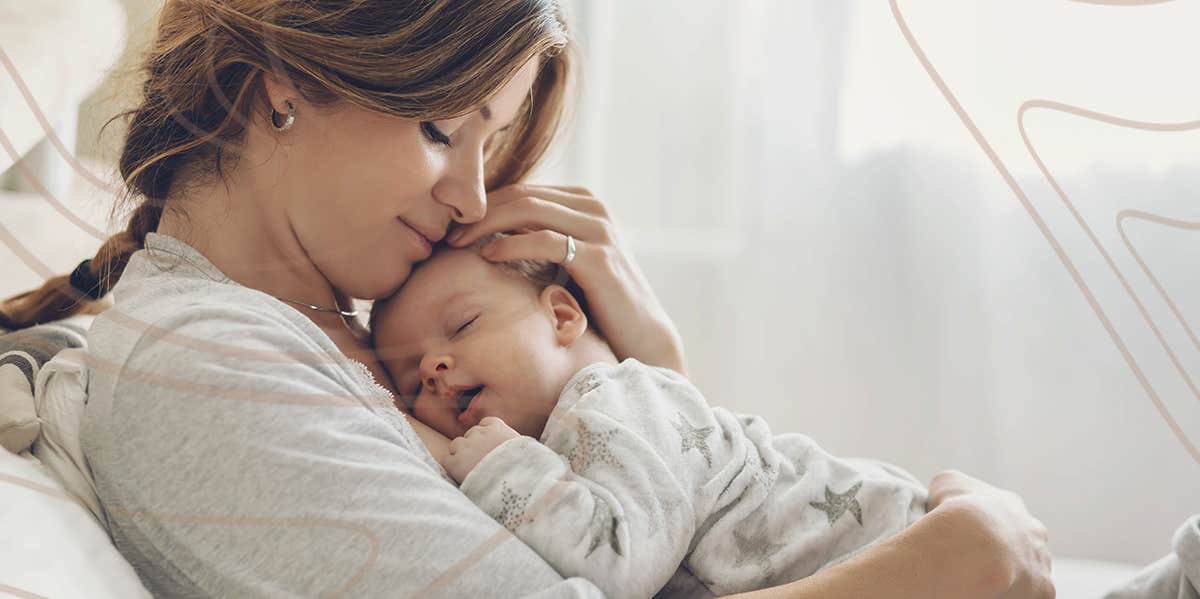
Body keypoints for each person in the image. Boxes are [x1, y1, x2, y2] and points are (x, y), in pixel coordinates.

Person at [0, 1, 1053, 597]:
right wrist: (956, 560)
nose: (469, 192)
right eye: (437, 129)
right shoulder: (209, 365)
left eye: (487, 144)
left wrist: (652, 372)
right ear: (281, 85)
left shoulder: (352, 324)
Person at [369, 235, 931, 598]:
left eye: (462, 325)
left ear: (562, 316)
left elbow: (622, 566)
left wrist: (502, 466)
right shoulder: (577, 435)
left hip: (904, 541)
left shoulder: (613, 398)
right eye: (414, 383)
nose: (434, 367)